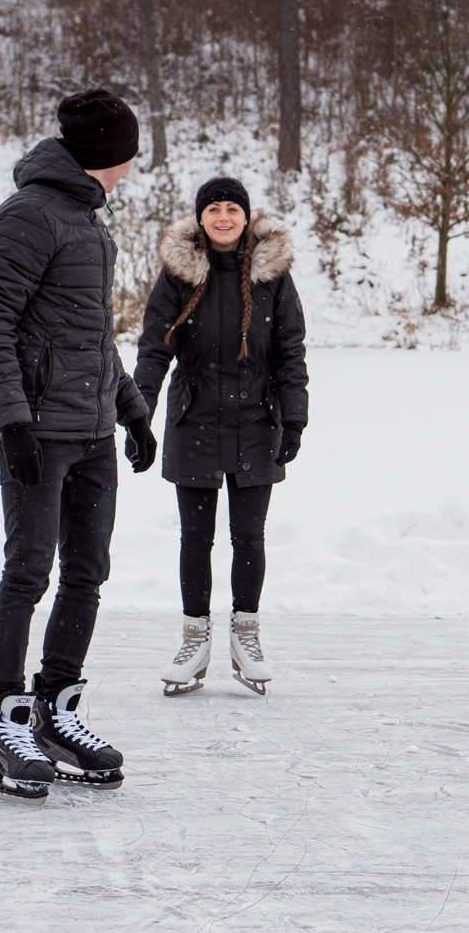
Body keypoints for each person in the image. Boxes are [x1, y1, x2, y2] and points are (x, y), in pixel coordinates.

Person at [0, 88, 158, 803]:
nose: (134, 163)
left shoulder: (86, 222)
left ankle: (55, 709)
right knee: (27, 574)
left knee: (87, 574)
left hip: (91, 432)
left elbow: (91, 338)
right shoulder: (29, 217)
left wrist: (133, 413)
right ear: (109, 154)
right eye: (130, 150)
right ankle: (4, 719)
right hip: (39, 432)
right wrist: (13, 423)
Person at [133, 176, 308, 697]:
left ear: (247, 216)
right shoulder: (178, 274)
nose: (224, 217)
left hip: (257, 419)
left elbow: (290, 351)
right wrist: (139, 415)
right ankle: (194, 640)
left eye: (233, 208)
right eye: (214, 209)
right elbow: (153, 348)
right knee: (196, 537)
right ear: (201, 218)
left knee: (248, 536)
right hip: (195, 418)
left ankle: (246, 636)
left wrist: (294, 418)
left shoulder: (272, 276)